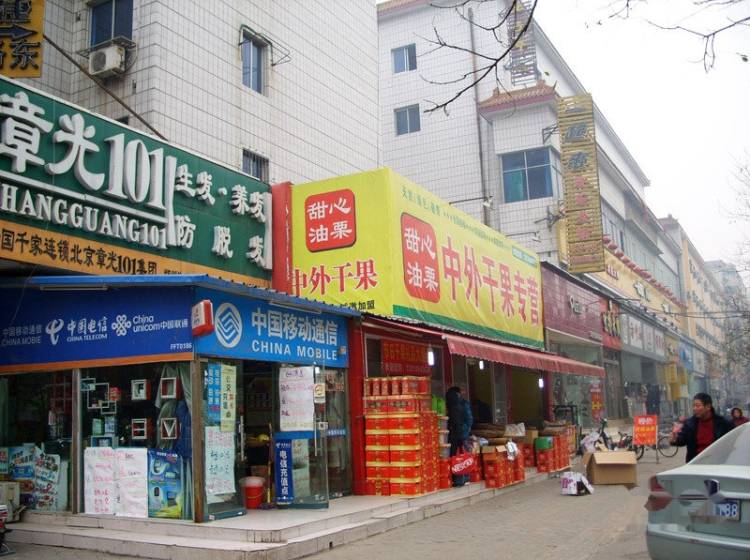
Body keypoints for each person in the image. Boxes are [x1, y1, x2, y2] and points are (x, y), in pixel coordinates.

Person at [670, 393, 734, 462]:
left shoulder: (723, 423)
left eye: (698, 406)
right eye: (694, 406)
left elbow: (733, 441)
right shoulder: (690, 423)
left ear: (708, 406)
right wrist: (675, 440)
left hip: (717, 462)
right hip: (696, 462)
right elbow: (682, 440)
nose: (694, 408)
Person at [445, 386, 467, 486]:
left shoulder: (450, 404)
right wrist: (460, 437)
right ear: (457, 393)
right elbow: (459, 421)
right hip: (456, 434)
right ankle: (458, 479)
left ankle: (454, 478)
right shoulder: (458, 405)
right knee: (456, 456)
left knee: (451, 456)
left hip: (451, 434)